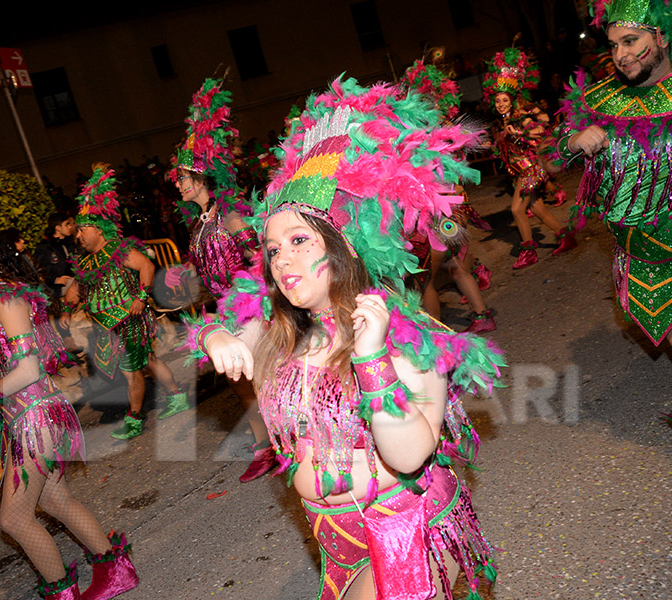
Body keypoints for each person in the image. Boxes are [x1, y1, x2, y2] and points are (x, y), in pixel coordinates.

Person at [188, 77, 503, 600]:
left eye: (297, 241)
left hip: (406, 525)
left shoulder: (407, 335)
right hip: (331, 537)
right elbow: (219, 326)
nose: (282, 259)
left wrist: (372, 356)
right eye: (271, 250)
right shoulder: (281, 327)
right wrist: (217, 336)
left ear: (345, 250)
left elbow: (407, 455)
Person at [549, 0, 672, 485]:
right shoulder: (600, 101)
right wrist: (573, 143)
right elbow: (549, 161)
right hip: (635, 246)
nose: (621, 55)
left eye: (631, 42)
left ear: (662, 37)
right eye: (613, 46)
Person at [0, 219, 137, 600]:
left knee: (15, 520)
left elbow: (28, 369)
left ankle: (63, 594)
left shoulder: (7, 300)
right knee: (56, 500)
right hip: (23, 418)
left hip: (35, 417)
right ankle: (115, 570)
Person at [169, 76, 276, 482]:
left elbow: (262, 259)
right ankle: (266, 442)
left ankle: (280, 443)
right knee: (239, 382)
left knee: (259, 377)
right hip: (225, 309)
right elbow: (206, 265)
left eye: (182, 177)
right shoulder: (200, 221)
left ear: (201, 177)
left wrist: (255, 302)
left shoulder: (230, 214)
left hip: (251, 308)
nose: (177, 184)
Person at [67, 164, 188, 440]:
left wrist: (140, 297)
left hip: (130, 318)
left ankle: (134, 419)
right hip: (108, 324)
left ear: (98, 230)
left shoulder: (117, 249)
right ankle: (176, 396)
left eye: (82, 229)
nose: (78, 235)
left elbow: (146, 266)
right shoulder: (85, 260)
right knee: (148, 360)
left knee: (131, 370)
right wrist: (68, 305)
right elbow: (79, 288)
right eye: (77, 231)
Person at [400, 58, 497, 333]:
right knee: (457, 267)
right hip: (456, 214)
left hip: (434, 216)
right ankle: (483, 315)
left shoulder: (419, 140)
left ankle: (440, 335)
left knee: (425, 280)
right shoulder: (448, 131)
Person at [482, 46, 576, 269]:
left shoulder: (519, 117)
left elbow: (543, 125)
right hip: (519, 172)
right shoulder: (500, 124)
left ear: (512, 100)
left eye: (504, 100)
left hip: (531, 169)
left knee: (516, 210)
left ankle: (528, 251)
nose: (500, 104)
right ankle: (566, 237)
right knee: (538, 209)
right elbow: (505, 151)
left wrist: (522, 133)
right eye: (497, 101)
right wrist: (492, 146)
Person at [34, 213, 78, 301]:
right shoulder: (46, 247)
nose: (70, 227)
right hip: (56, 288)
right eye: (66, 224)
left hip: (70, 281)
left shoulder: (68, 243)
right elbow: (38, 270)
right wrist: (54, 279)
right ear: (58, 228)